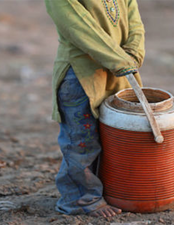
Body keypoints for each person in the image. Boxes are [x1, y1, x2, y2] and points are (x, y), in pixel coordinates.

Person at [44, 0, 145, 217]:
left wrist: (134, 52)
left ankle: (110, 190)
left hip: (119, 70)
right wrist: (119, 60)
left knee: (114, 136)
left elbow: (134, 19)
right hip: (81, 75)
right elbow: (79, 27)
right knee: (82, 142)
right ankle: (79, 199)